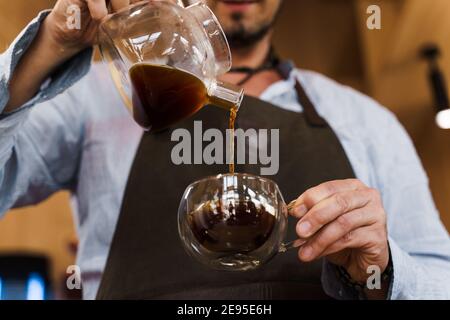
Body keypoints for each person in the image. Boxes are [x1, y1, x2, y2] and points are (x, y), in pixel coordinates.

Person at [1, 0, 450, 300]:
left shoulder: (365, 118)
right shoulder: (96, 94)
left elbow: (441, 281)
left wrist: (382, 268)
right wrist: (50, 46)